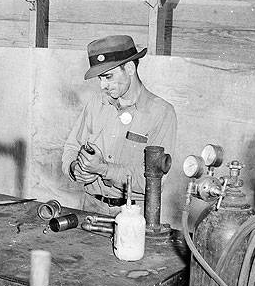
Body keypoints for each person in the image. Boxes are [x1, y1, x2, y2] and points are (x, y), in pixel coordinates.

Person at [61, 35, 177, 214]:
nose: (102, 86)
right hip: (91, 208)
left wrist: (103, 169)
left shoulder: (161, 113)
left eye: (108, 77)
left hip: (133, 215)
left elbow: (155, 181)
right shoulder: (95, 104)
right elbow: (71, 147)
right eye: (100, 78)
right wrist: (75, 168)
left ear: (129, 68)